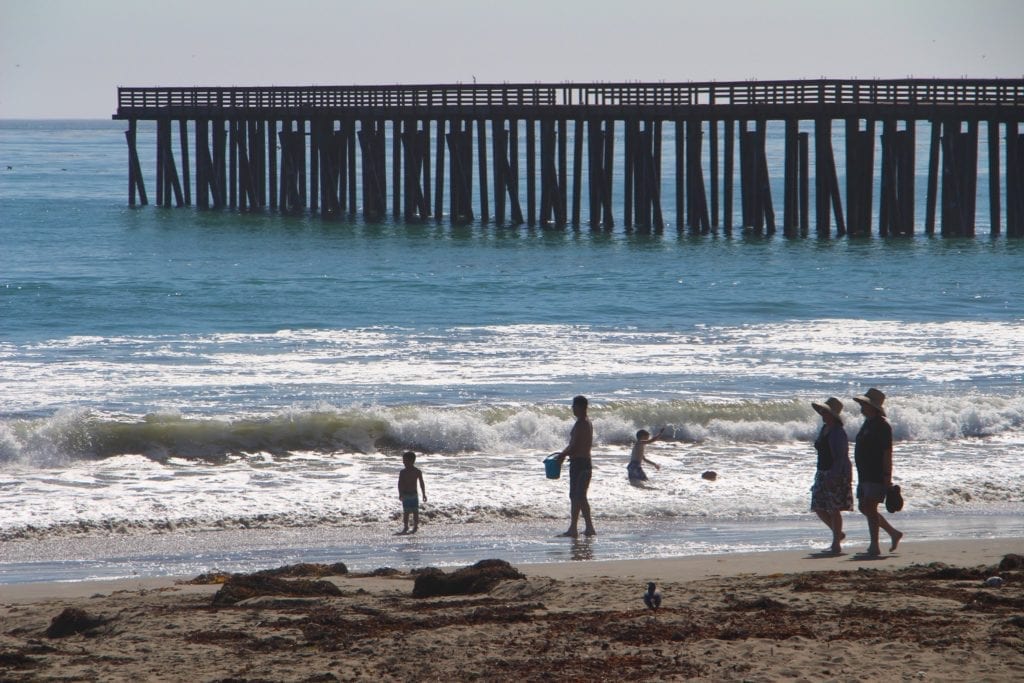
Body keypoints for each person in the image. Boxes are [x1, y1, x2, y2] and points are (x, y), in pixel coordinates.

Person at [852, 388, 903, 556]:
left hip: (876, 472)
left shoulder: (882, 425)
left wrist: (887, 477)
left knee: (870, 506)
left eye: (864, 404)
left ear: (872, 406)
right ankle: (893, 533)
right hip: (864, 473)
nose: (861, 407)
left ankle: (874, 545)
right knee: (864, 507)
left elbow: (887, 452)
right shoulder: (868, 422)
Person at [809, 397, 853, 554]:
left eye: (825, 411)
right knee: (818, 507)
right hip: (821, 471)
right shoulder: (825, 428)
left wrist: (833, 476)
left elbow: (840, 457)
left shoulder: (837, 432)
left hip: (835, 473)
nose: (822, 414)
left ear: (832, 414)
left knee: (834, 509)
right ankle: (838, 534)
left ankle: (836, 544)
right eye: (821, 411)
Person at [556, 395, 596, 537]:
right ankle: (588, 528)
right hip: (584, 462)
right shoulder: (587, 422)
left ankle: (574, 528)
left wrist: (561, 456)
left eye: (573, 406)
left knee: (576, 496)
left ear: (579, 407)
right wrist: (563, 454)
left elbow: (574, 446)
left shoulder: (581, 424)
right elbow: (574, 445)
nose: (572, 409)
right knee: (580, 497)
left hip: (579, 463)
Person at [397, 450, 427, 534]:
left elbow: (421, 483)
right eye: (403, 460)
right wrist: (400, 493)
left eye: (405, 460)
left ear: (411, 461)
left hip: (414, 495)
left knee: (415, 512)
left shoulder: (417, 471)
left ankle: (415, 526)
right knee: (406, 512)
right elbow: (400, 484)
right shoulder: (402, 472)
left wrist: (424, 494)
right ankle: (406, 526)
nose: (403, 462)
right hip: (405, 494)